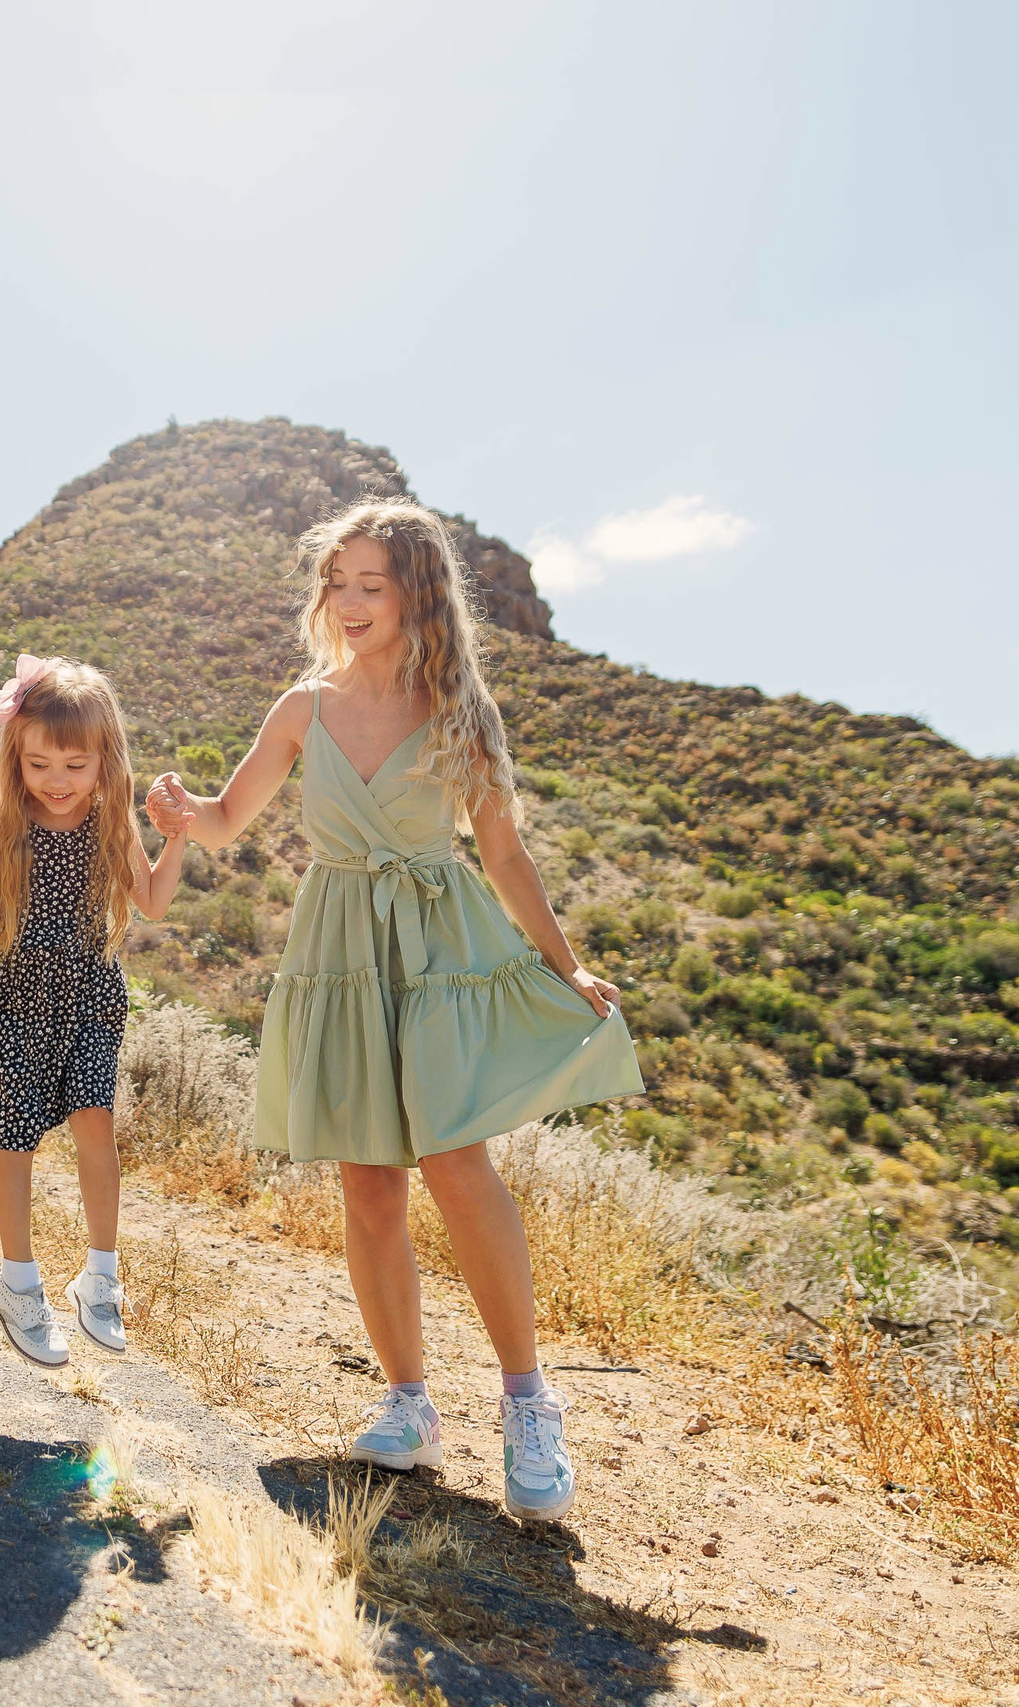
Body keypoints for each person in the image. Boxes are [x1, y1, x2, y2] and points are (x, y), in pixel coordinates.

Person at [144, 500, 644, 1520]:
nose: (350, 601)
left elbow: (503, 854)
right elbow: (230, 821)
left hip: (437, 945)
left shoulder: (458, 708)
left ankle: (526, 1403)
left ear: (417, 591)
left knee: (457, 1163)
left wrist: (567, 964)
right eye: (337, 583)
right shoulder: (302, 706)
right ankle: (408, 1407)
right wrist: (180, 815)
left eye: (371, 583)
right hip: (339, 948)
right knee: (368, 1186)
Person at [0, 657, 186, 1367]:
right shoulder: (4, 819)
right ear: (16, 757)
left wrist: (178, 835)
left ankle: (100, 1277)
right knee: (15, 1142)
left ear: (104, 760)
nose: (57, 779)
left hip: (90, 993)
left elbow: (155, 901)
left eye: (74, 763)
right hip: (15, 991)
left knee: (96, 1125)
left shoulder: (110, 822)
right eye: (39, 761)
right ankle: (17, 1284)